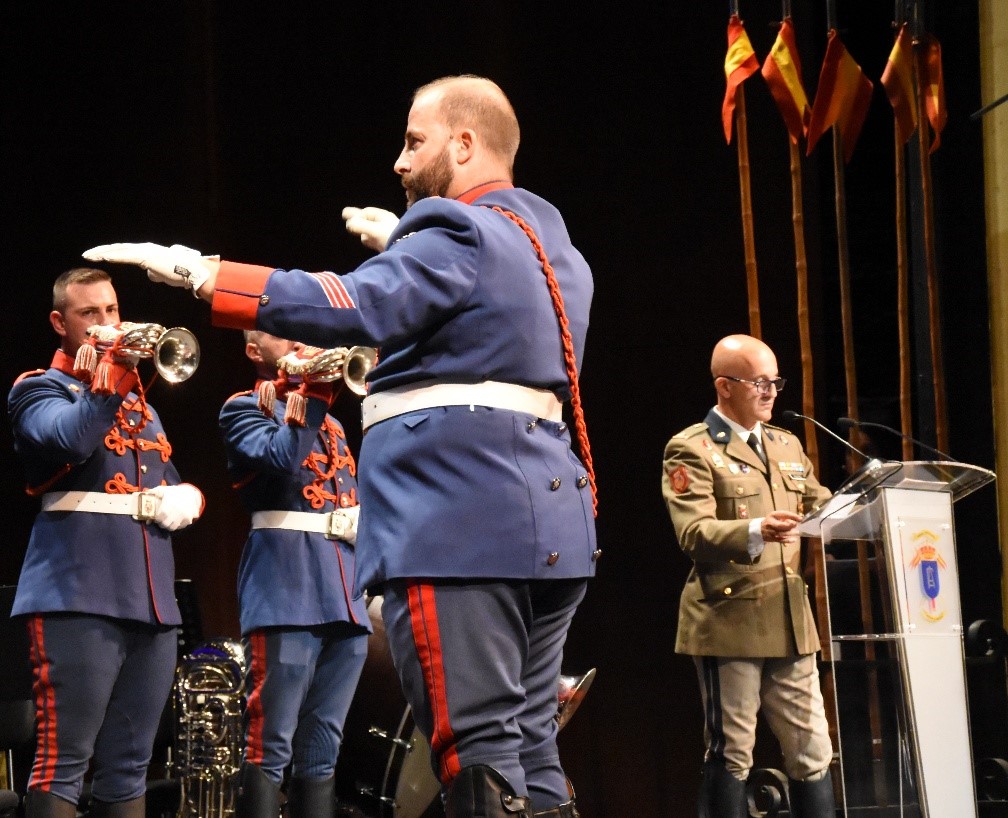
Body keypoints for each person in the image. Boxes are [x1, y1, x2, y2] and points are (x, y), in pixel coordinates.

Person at [84, 74, 597, 818]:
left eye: (414, 141)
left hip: (460, 526)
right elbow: (487, 319)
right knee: (529, 747)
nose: (399, 160)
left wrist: (204, 274)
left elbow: (355, 302)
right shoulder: (555, 250)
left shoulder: (455, 232)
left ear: (464, 143)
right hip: (551, 528)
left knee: (478, 753)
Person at [8, 267, 204, 818]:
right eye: (89, 313)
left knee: (132, 766)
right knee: (64, 763)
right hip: (77, 594)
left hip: (151, 601)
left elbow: (168, 477)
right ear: (60, 323)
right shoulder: (36, 389)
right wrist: (112, 376)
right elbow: (71, 437)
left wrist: (188, 497)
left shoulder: (143, 404)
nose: (106, 322)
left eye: (112, 310)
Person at [659, 334, 836, 818]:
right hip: (729, 618)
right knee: (732, 751)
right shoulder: (691, 448)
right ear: (724, 386)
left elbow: (821, 505)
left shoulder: (786, 444)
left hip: (791, 621)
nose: (771, 391)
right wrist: (756, 529)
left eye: (775, 381)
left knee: (813, 749)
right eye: (759, 382)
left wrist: (870, 504)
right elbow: (693, 532)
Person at [219, 331, 371, 818]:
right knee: (271, 743)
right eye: (280, 334)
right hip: (286, 586)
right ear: (253, 350)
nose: (300, 343)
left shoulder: (332, 424)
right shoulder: (243, 407)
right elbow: (283, 459)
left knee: (324, 746)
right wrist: (313, 394)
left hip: (343, 590)